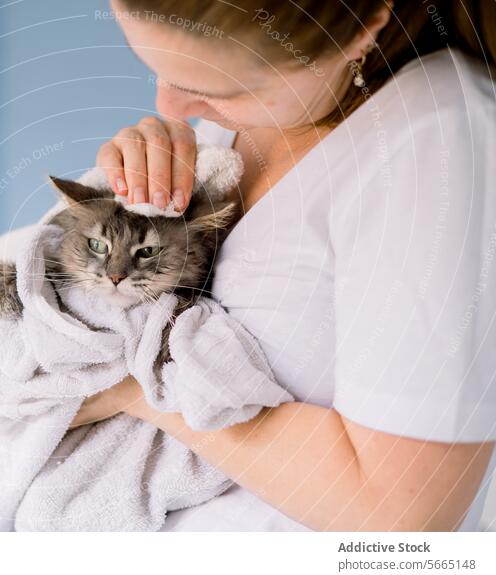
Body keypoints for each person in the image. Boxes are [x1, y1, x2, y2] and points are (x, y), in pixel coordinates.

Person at [68, 0, 496, 531]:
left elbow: (402, 518)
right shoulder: (263, 114)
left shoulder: (438, 147)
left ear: (362, 32)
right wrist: (131, 192)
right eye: (156, 68)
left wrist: (134, 387)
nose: (170, 106)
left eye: (221, 90)